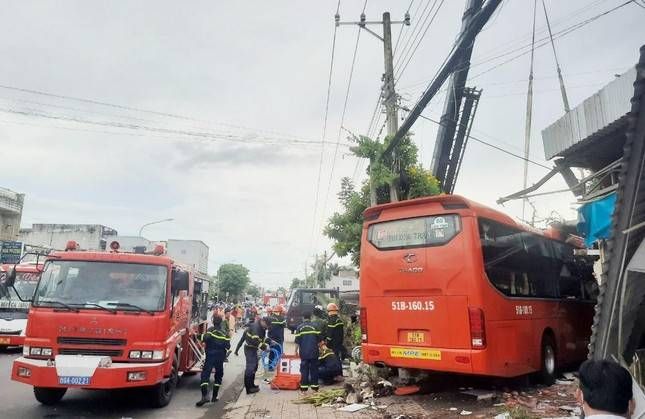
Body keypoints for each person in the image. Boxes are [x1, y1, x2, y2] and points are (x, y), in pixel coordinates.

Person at [196, 314, 231, 406]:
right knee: (218, 376)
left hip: (211, 355)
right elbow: (228, 346)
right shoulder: (225, 333)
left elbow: (205, 338)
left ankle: (205, 396)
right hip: (220, 356)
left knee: (205, 375)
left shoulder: (211, 330)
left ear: (213, 321)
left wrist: (197, 336)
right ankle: (214, 397)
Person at [234, 315, 272, 394]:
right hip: (249, 349)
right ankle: (249, 388)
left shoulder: (261, 328)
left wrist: (270, 341)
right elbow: (255, 341)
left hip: (253, 349)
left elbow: (262, 338)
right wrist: (265, 348)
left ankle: (252, 385)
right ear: (263, 322)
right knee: (250, 368)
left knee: (254, 367)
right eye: (267, 325)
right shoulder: (256, 327)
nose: (267, 327)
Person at [295, 311, 322, 392]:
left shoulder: (299, 327)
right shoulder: (315, 326)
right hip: (314, 352)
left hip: (304, 353)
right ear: (310, 318)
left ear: (303, 318)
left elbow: (297, 341)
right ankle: (315, 389)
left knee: (304, 370)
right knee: (314, 370)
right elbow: (320, 340)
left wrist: (295, 351)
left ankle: (304, 389)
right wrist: (321, 349)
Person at [267, 305, 286, 370]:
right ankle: (278, 367)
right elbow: (284, 325)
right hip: (279, 339)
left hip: (271, 339)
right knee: (279, 353)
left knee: (272, 353)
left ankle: (270, 367)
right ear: (280, 311)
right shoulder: (282, 319)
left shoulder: (269, 318)